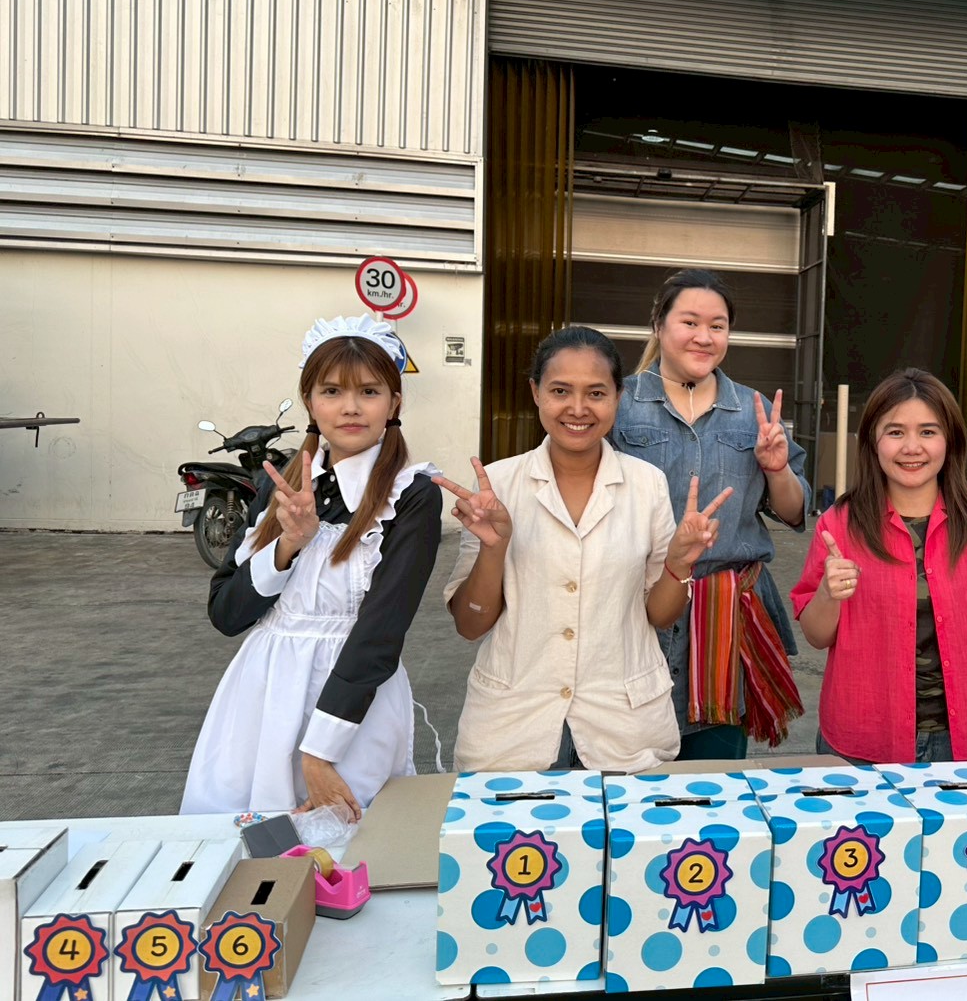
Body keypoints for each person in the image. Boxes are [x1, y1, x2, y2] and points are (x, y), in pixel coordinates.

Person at [181, 315, 441, 818]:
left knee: (346, 845)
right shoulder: (278, 486)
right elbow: (227, 615)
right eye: (331, 391)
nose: (350, 407)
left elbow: (382, 630)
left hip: (352, 707)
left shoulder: (411, 495)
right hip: (259, 701)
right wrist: (287, 545)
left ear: (394, 403)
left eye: (369, 391)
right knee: (253, 847)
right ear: (309, 401)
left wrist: (321, 750)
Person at [441, 326, 731, 772]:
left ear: (618, 397)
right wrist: (494, 549)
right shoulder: (497, 486)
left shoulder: (646, 484)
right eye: (560, 391)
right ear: (536, 393)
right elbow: (470, 624)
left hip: (623, 725)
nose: (577, 409)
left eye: (596, 393)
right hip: (513, 728)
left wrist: (677, 565)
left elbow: (660, 616)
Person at [792, 368, 967, 764]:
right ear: (872, 441)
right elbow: (816, 636)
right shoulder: (840, 523)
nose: (911, 447)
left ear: (949, 440)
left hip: (964, 743)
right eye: (895, 432)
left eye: (928, 432)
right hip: (862, 742)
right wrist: (828, 595)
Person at [612, 269, 806, 760]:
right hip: (636, 608)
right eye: (690, 322)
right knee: (630, 764)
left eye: (717, 326)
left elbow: (794, 511)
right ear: (658, 324)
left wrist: (777, 468)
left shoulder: (753, 411)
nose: (704, 336)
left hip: (725, 619)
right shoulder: (618, 403)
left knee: (716, 775)